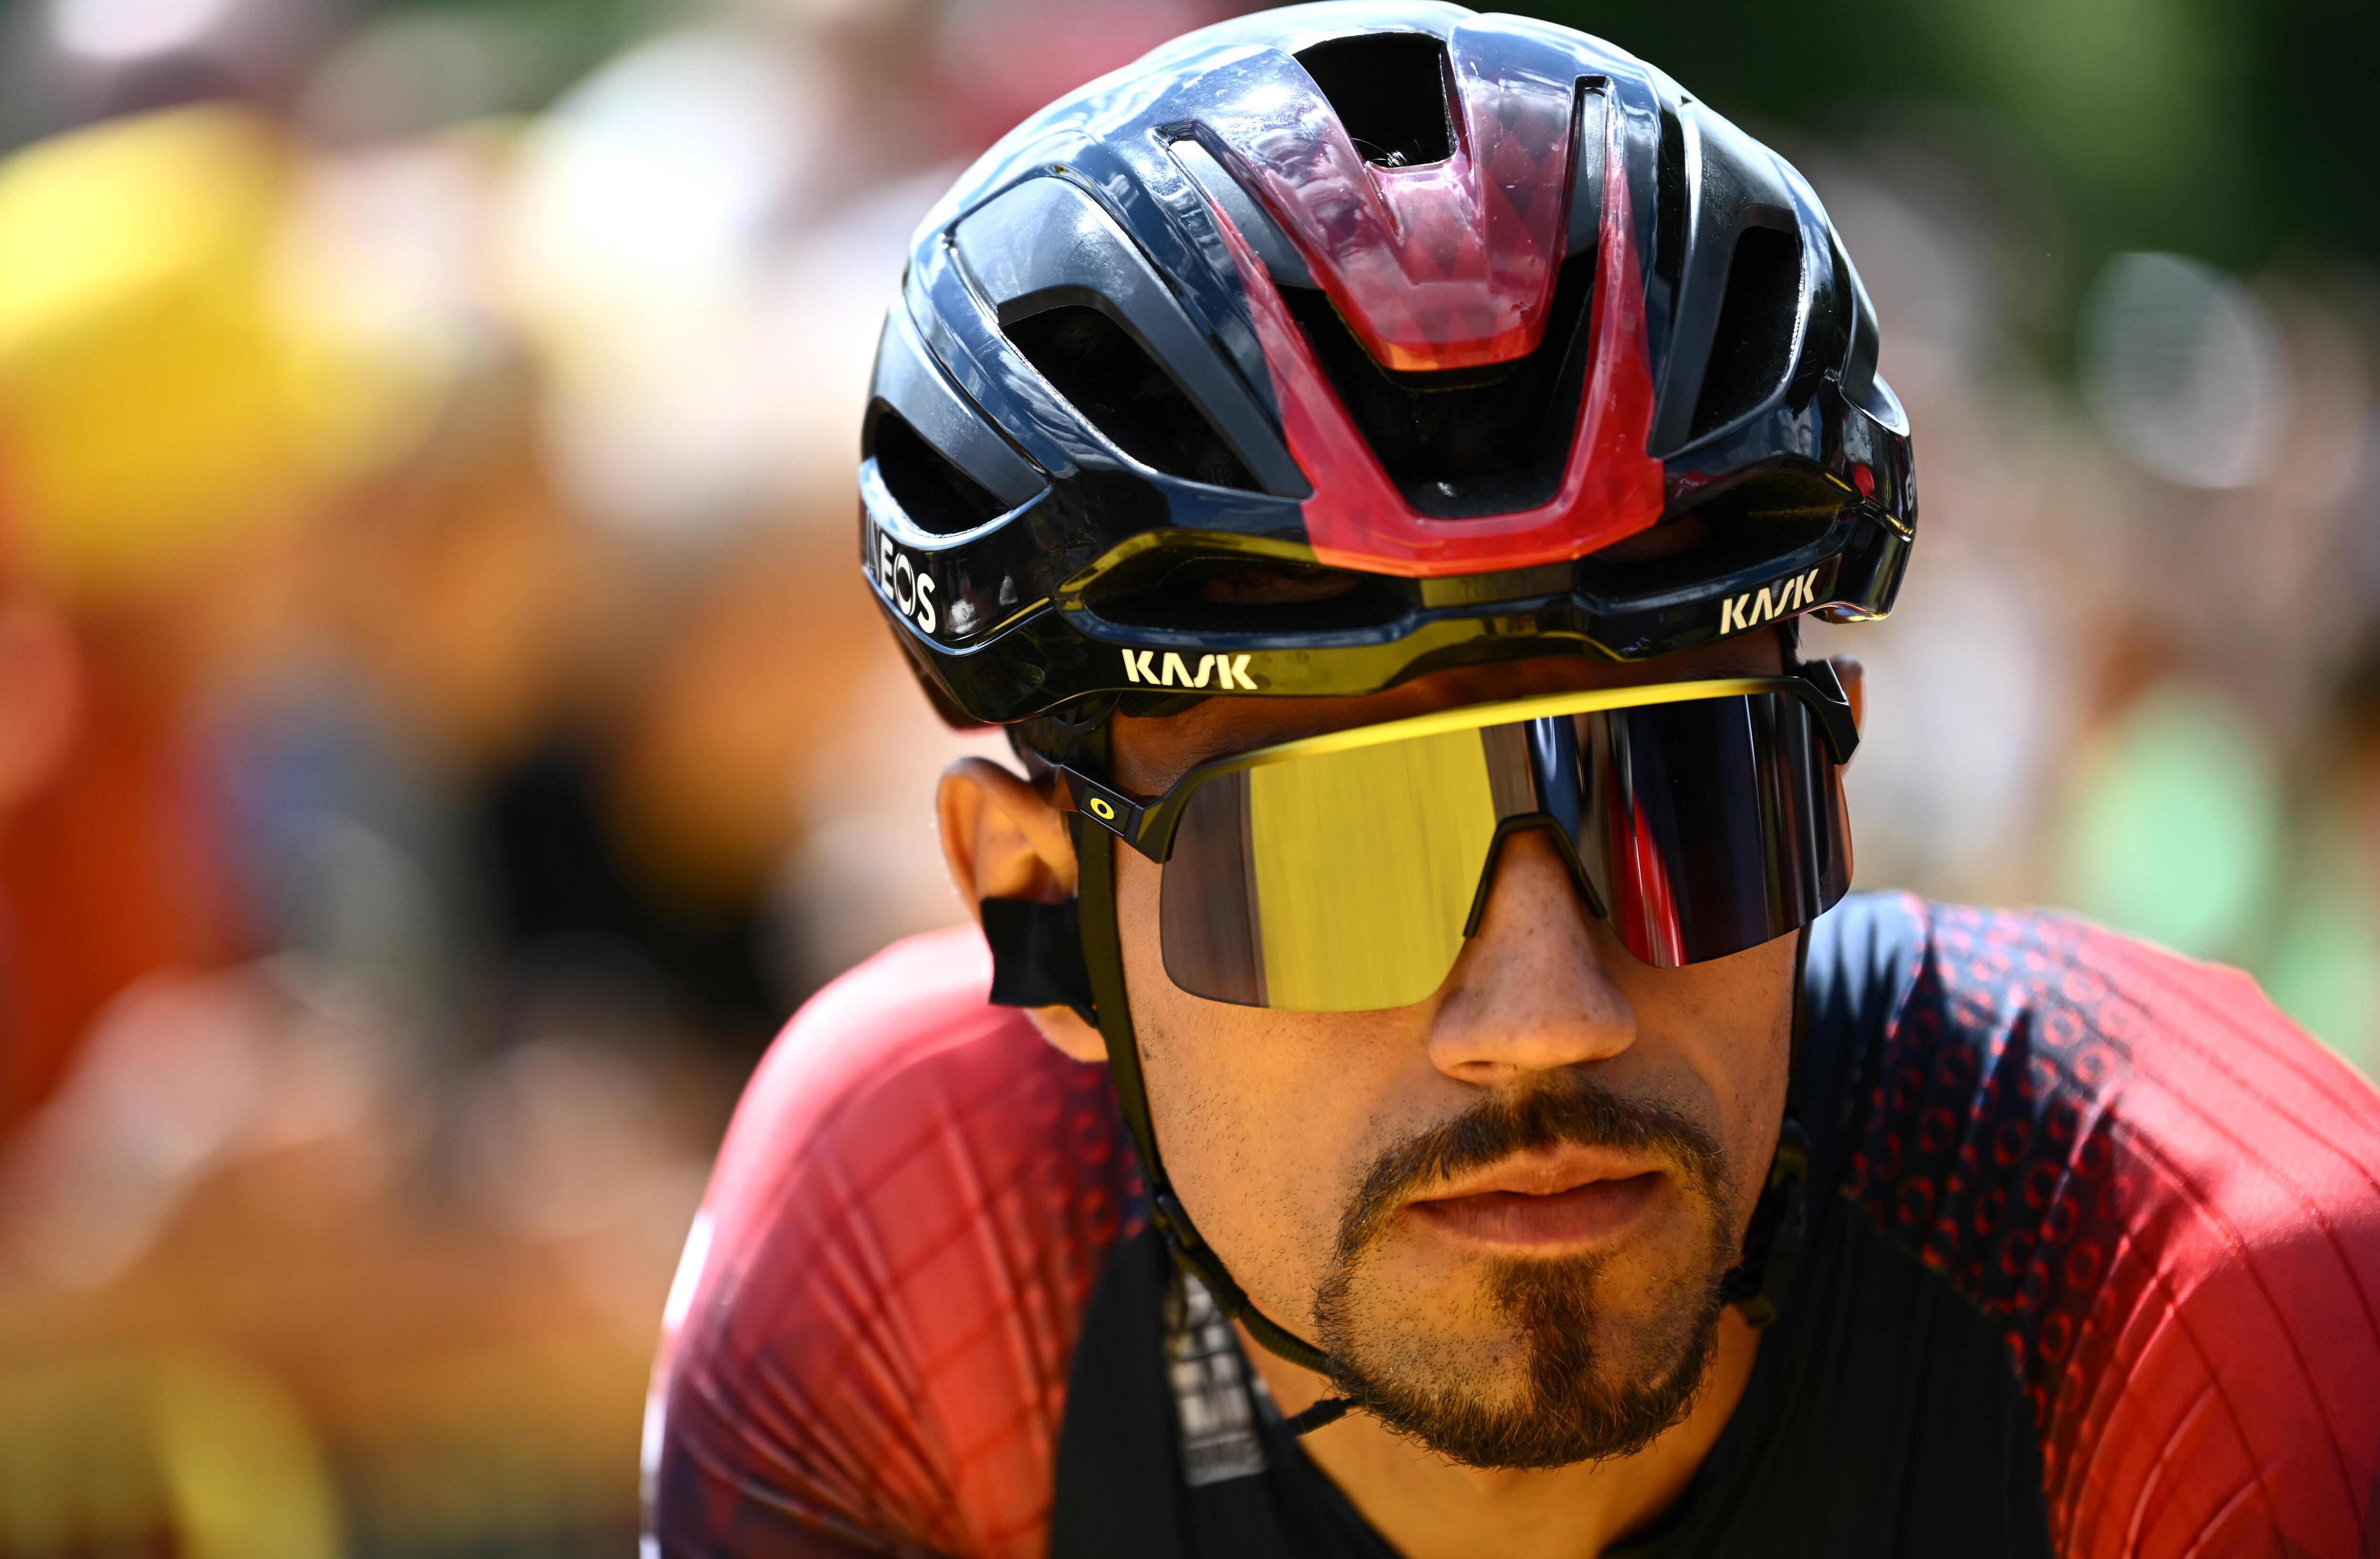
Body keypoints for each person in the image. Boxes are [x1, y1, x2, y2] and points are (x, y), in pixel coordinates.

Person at [642, 6, 2380, 1555]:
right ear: (1042, 911)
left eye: (1689, 804)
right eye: (1337, 862)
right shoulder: (929, 1248)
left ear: (1831, 795)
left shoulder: (2196, 1286)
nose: (1549, 1015)